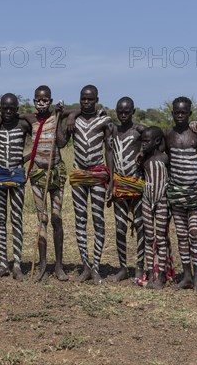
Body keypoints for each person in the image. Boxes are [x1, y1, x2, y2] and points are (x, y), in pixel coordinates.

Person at [64, 85, 114, 284]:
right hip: (78, 174)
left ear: (97, 100)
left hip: (98, 173)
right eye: (83, 99)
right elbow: (60, 143)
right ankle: (85, 265)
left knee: (98, 218)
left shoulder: (105, 121)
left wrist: (110, 178)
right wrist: (64, 118)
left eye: (90, 99)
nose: (86, 102)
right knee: (80, 219)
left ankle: (96, 267)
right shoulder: (74, 120)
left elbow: (109, 149)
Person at [165, 97, 197, 289]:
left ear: (190, 113)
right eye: (176, 112)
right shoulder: (168, 135)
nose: (180, 115)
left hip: (195, 191)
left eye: (183, 112)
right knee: (182, 235)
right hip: (176, 192)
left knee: (194, 232)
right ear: (172, 113)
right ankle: (187, 277)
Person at [0, 93, 31, 280]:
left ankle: (18, 264)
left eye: (11, 108)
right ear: (0, 108)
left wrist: (24, 159)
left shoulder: (23, 125)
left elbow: (37, 141)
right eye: (4, 108)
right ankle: (3, 264)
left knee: (16, 218)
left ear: (16, 109)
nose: (7, 111)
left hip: (17, 173)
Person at [108, 97, 146, 282]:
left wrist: (143, 153)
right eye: (120, 112)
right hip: (119, 183)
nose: (123, 115)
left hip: (137, 183)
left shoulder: (139, 130)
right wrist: (110, 182)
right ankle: (123, 268)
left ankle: (140, 266)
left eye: (127, 112)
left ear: (133, 111)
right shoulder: (113, 130)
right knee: (120, 227)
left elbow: (157, 141)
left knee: (140, 225)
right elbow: (109, 153)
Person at [140, 126, 170, 289]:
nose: (143, 144)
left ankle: (162, 275)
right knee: (149, 236)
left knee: (160, 237)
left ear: (157, 141)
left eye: (147, 141)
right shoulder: (143, 159)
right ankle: (151, 273)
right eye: (142, 141)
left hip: (162, 199)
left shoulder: (165, 158)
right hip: (146, 199)